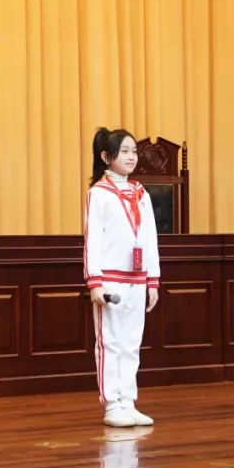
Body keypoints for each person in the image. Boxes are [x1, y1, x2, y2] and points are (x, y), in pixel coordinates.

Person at [84, 127, 160, 427]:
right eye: (124, 151)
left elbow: (151, 239)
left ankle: (128, 400)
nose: (131, 157)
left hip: (137, 279)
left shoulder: (141, 194)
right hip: (111, 280)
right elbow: (92, 240)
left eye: (134, 151)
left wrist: (153, 279)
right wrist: (95, 282)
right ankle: (112, 404)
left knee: (131, 343)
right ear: (106, 157)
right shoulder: (99, 194)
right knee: (110, 343)